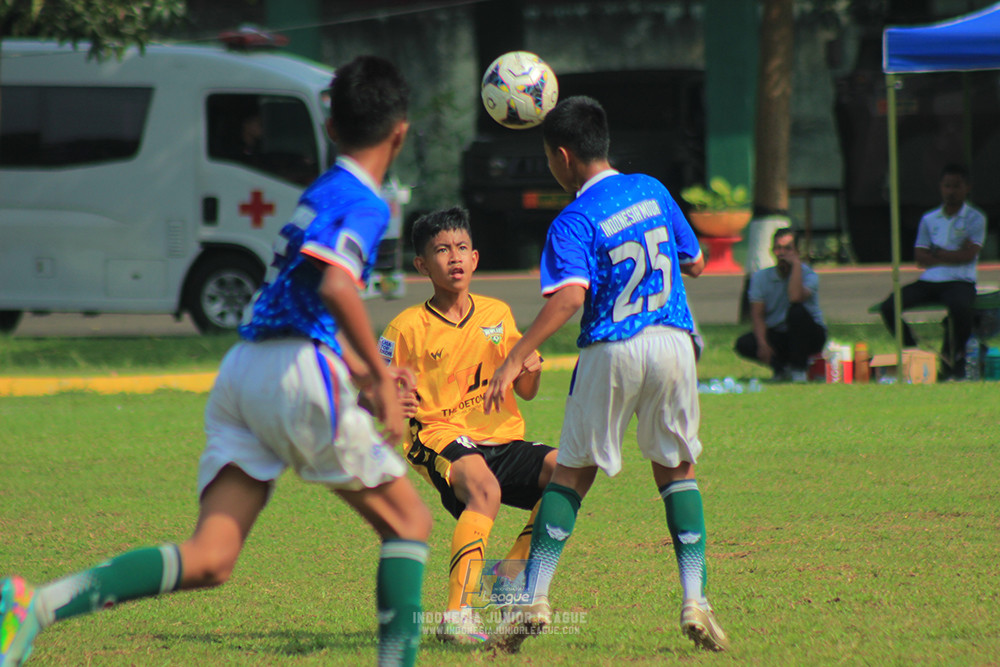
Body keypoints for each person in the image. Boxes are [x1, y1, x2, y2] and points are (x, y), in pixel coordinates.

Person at [0, 56, 432, 667]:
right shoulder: (366, 200)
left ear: (330, 128)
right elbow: (335, 287)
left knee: (211, 557)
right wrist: (383, 381)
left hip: (244, 369)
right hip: (292, 373)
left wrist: (361, 371)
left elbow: (300, 297)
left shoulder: (319, 191)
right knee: (409, 522)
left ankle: (32, 607)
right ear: (401, 132)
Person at [481, 95, 729, 654]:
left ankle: (534, 599)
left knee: (572, 474)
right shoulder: (651, 188)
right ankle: (695, 600)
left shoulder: (572, 219)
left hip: (611, 350)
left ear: (563, 156)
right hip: (673, 343)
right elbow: (694, 260)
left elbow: (570, 297)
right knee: (676, 469)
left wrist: (517, 354)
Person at [378, 206, 557, 644]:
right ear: (422, 265)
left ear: (475, 258)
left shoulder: (497, 314)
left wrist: (530, 365)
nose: (454, 258)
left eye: (461, 248)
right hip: (437, 434)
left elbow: (527, 389)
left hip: (498, 436)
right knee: (485, 489)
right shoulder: (405, 329)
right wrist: (388, 397)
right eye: (441, 250)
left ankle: (511, 574)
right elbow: (375, 387)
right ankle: (457, 615)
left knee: (565, 472)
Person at [878, 163, 986, 380]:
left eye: (956, 186)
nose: (951, 191)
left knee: (961, 307)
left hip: (960, 280)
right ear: (940, 187)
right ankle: (912, 350)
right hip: (931, 280)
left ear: (967, 188)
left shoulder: (975, 218)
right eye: (947, 186)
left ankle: (955, 359)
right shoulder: (929, 219)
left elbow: (969, 255)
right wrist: (952, 253)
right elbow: (920, 258)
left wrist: (937, 253)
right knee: (889, 306)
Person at [734, 227, 827, 382]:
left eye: (788, 249)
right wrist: (763, 344)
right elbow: (758, 314)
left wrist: (796, 265)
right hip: (779, 333)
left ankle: (799, 370)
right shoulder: (760, 278)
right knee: (745, 343)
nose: (782, 253)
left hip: (809, 334)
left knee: (796, 312)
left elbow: (795, 297)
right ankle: (781, 369)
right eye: (778, 248)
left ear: (797, 251)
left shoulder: (809, 276)